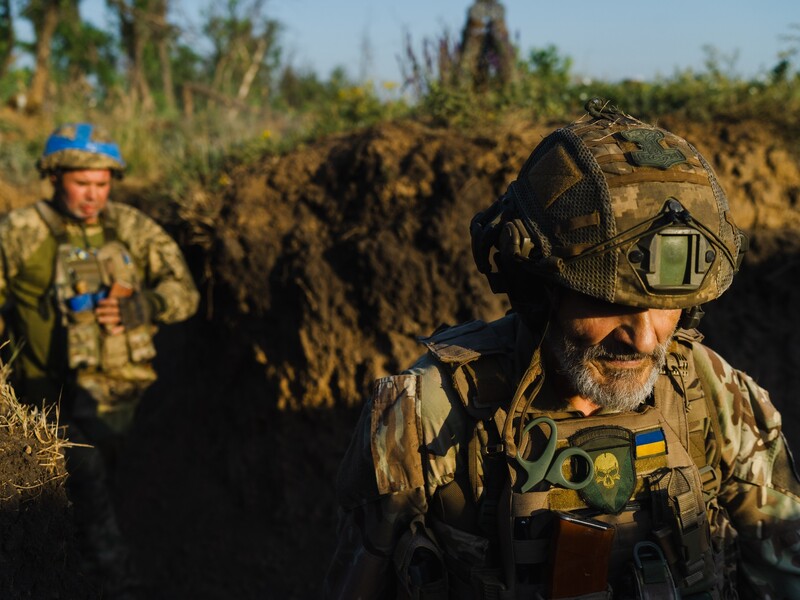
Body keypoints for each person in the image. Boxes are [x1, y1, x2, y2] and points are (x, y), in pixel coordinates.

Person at [325, 100, 800, 599]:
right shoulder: (426, 414)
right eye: (609, 302)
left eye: (668, 307)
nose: (643, 339)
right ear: (538, 288)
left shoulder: (715, 394)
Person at [0, 123, 200, 597]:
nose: (93, 195)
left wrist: (145, 305)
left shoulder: (132, 228)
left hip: (130, 404)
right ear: (54, 177)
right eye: (81, 183)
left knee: (122, 493)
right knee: (81, 484)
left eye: (102, 184)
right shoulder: (18, 232)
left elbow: (185, 293)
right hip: (45, 405)